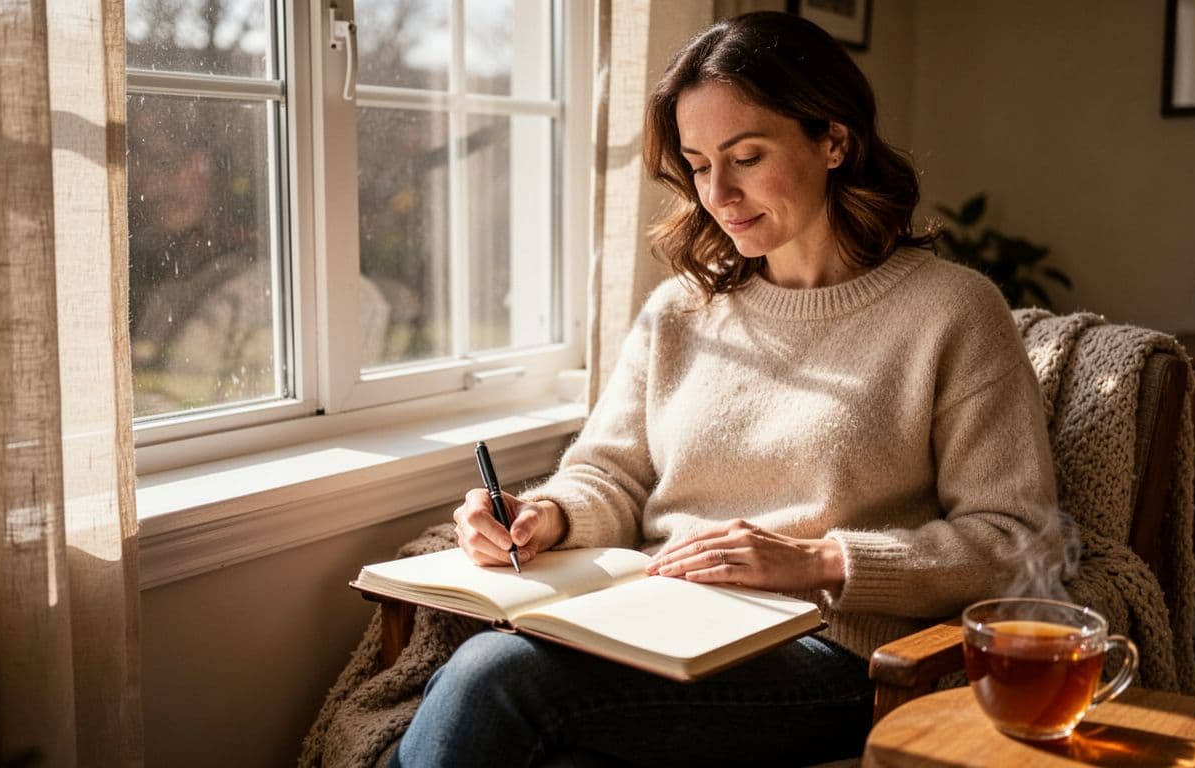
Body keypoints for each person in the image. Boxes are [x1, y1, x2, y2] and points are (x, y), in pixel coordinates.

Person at [392, 10, 1061, 767]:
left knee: (493, 681)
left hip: (830, 657)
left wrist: (820, 561)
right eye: (698, 163)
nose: (719, 193)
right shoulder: (682, 310)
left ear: (834, 141)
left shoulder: (952, 312)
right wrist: (544, 514)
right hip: (657, 623)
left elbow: (1016, 542)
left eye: (746, 156)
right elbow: (612, 472)